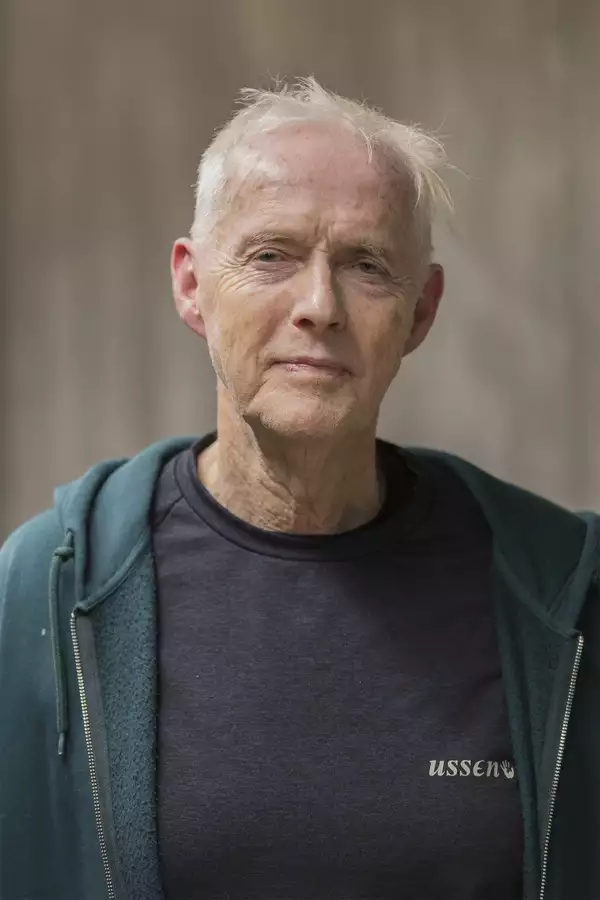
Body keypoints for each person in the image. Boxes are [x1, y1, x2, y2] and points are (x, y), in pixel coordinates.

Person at [0, 77, 598, 900]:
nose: (319, 305)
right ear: (190, 285)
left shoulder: (560, 593)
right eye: (271, 255)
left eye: (367, 265)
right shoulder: (46, 589)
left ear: (421, 313)